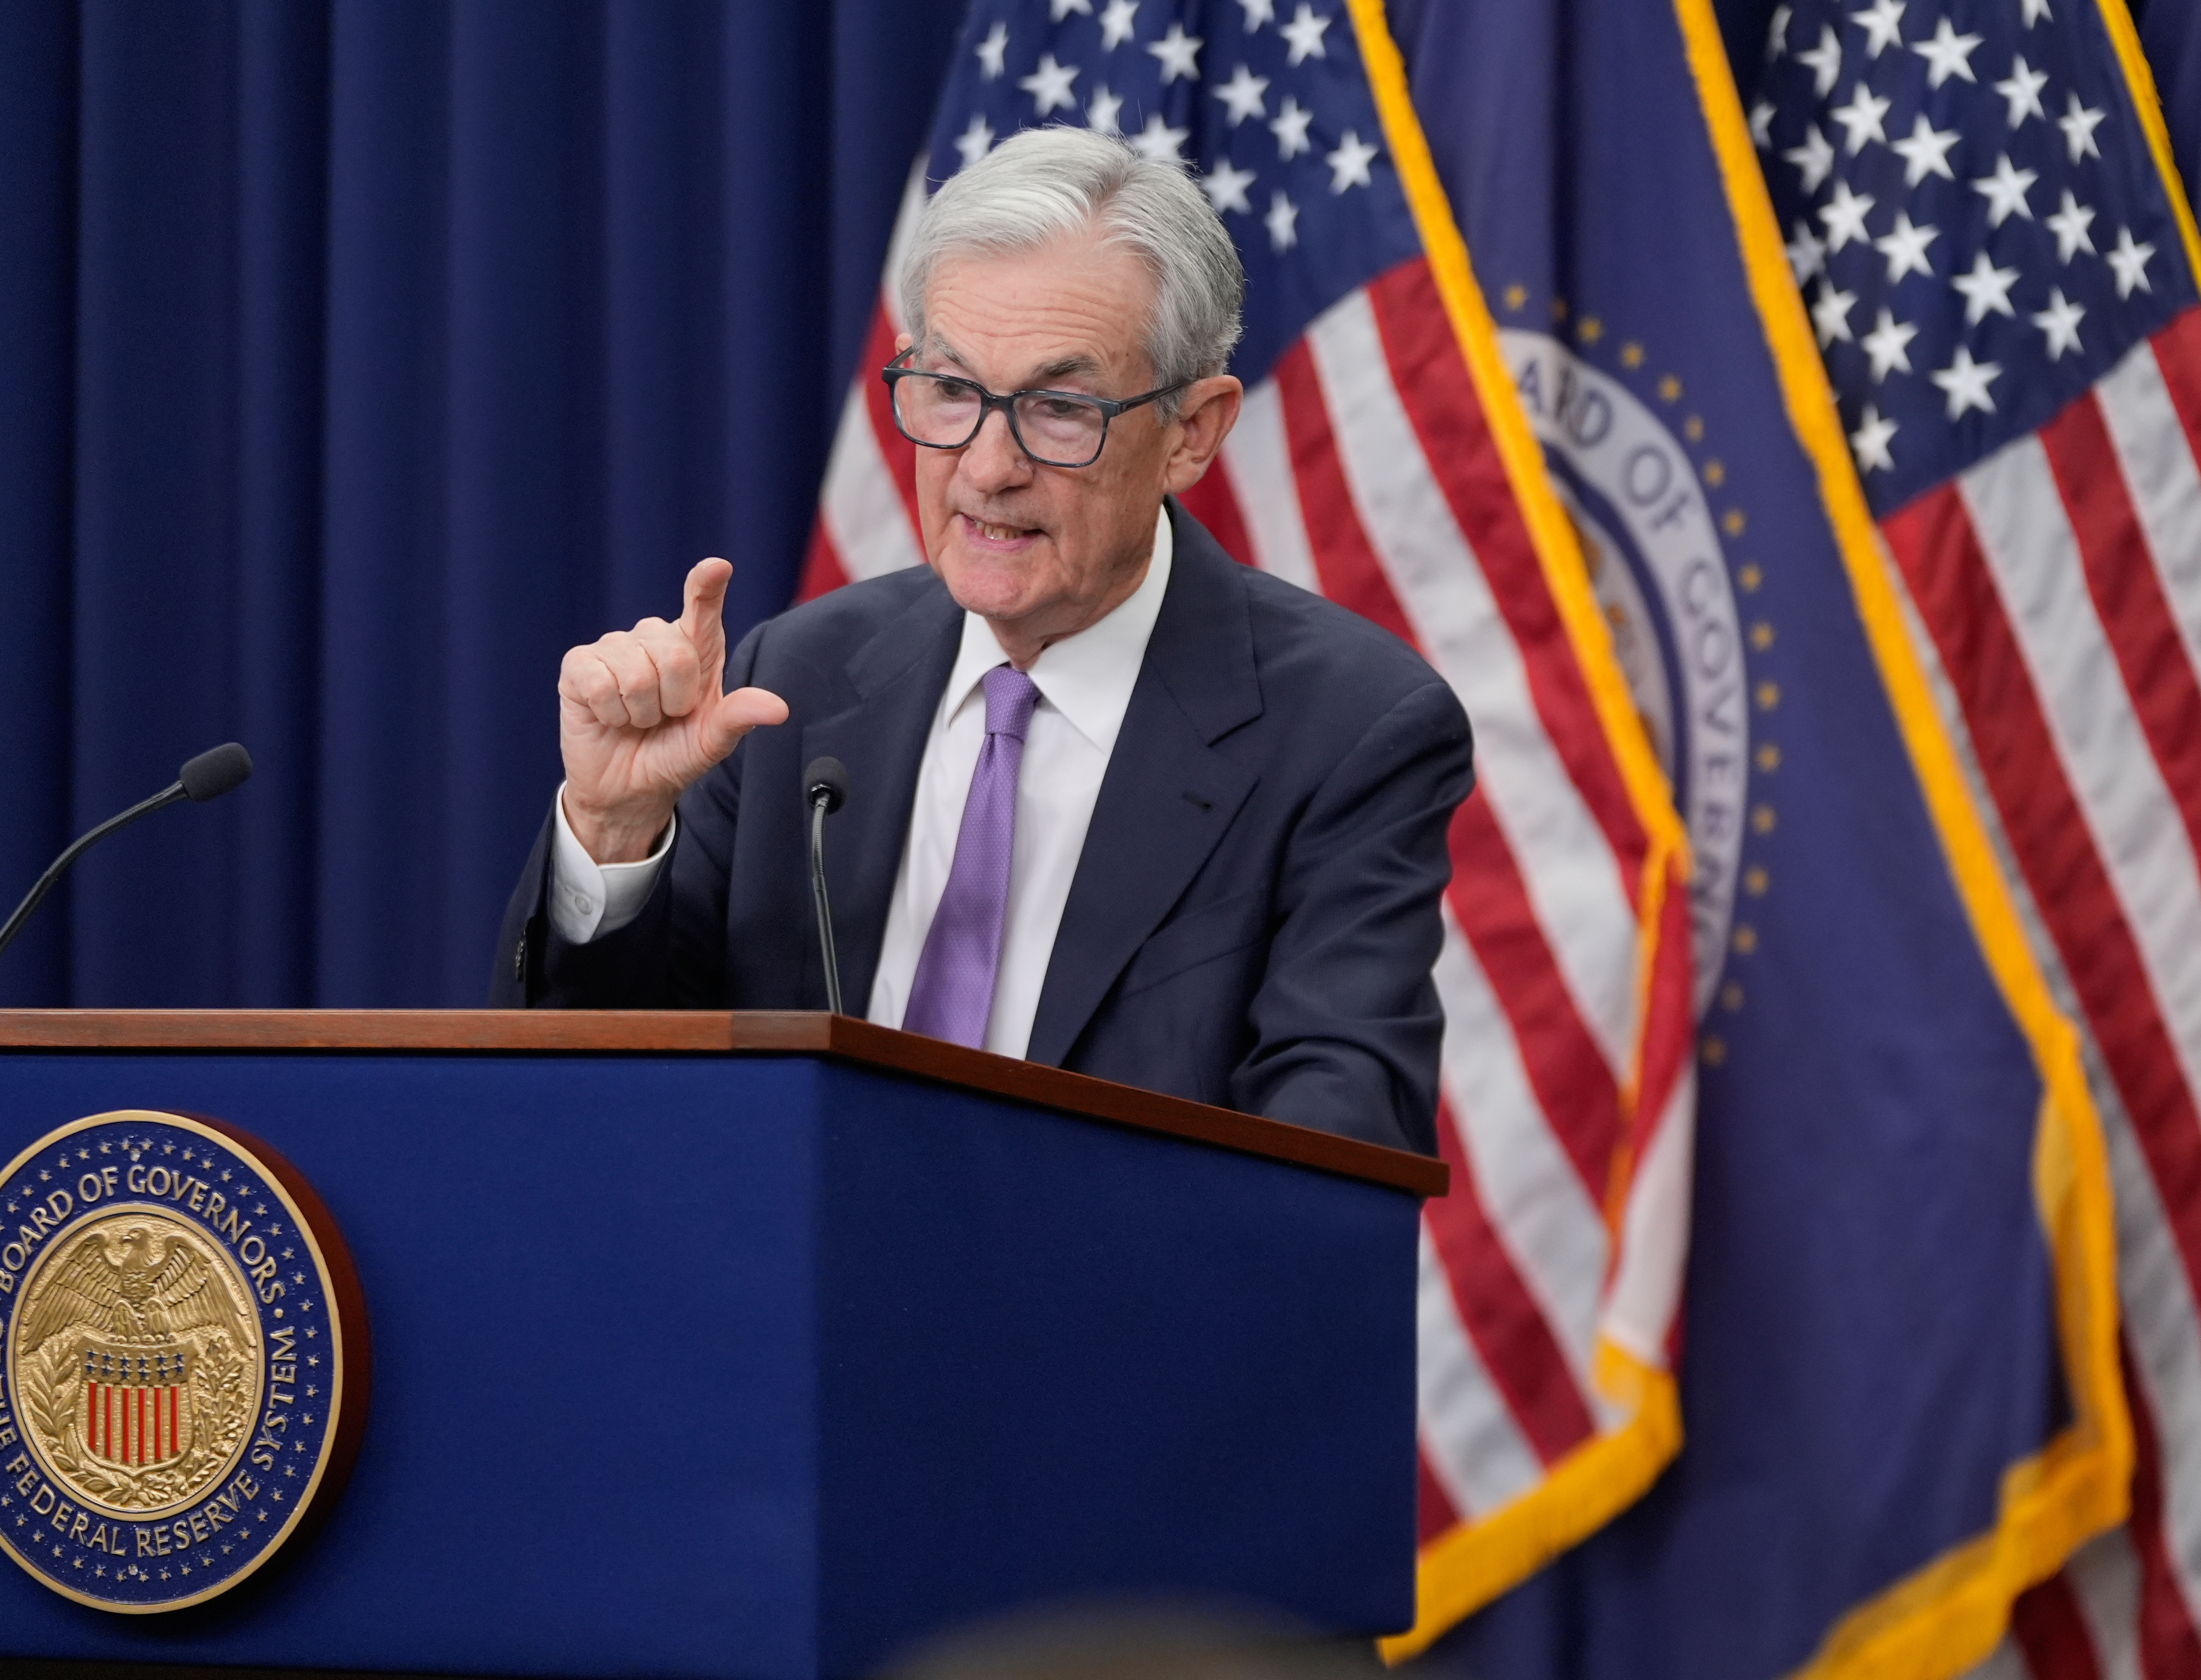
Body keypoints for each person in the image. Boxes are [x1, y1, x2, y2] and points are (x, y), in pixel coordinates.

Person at [489, 127, 1472, 1155]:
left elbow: (1329, 1160)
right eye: (951, 391)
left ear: (1192, 431)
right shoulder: (796, 682)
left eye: (1057, 407)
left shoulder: (1348, 732)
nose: (985, 467)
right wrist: (613, 832)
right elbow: (597, 1111)